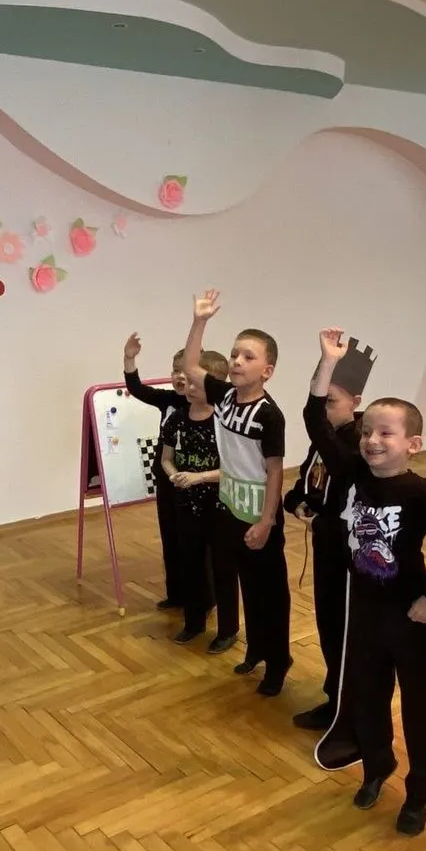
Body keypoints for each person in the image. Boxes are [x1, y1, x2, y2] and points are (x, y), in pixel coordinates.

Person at [307, 327, 426, 835]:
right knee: (368, 697)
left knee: (418, 708)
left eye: (386, 434)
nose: (372, 441)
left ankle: (419, 791)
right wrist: (328, 363)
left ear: (413, 444)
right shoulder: (351, 472)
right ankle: (377, 766)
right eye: (367, 432)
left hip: (408, 617)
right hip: (364, 613)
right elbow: (315, 420)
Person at [181, 290, 292, 694]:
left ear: (268, 370)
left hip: (258, 515)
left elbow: (275, 470)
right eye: (234, 354)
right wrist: (200, 321)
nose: (237, 361)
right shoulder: (224, 396)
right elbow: (190, 366)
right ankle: (256, 649)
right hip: (229, 508)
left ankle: (278, 661)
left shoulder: (269, 415)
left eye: (248, 356)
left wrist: (266, 521)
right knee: (247, 586)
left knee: (270, 595)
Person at [284, 338, 372, 731]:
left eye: (329, 401)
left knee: (345, 631)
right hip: (325, 549)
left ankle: (350, 709)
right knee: (329, 627)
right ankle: (335, 698)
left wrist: (319, 521)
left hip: (347, 557)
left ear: (356, 401)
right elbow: (305, 485)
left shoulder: (355, 447)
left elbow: (350, 508)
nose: (322, 409)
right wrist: (296, 503)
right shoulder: (324, 444)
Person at [160, 349, 230, 645]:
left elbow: (234, 469)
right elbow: (166, 459)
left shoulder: (224, 422)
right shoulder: (176, 419)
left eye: (194, 383)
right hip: (186, 505)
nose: (187, 387)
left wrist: (198, 477)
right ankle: (193, 621)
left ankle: (227, 630)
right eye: (186, 382)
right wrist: (174, 475)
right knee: (190, 562)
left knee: (223, 567)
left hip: (219, 506)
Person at [122, 333, 189, 610]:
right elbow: (137, 388)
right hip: (166, 478)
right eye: (175, 371)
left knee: (192, 540)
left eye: (185, 371)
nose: (179, 377)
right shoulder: (167, 399)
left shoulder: (206, 403)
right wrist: (129, 359)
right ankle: (176, 594)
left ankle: (200, 597)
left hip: (194, 482)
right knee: (170, 537)